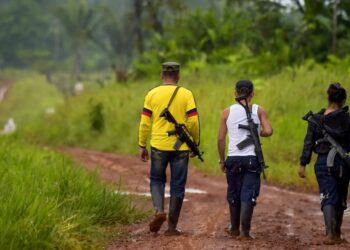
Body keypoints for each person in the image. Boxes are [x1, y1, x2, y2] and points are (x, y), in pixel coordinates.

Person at [138, 62, 200, 235]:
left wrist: (142, 144)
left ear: (161, 75)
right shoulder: (186, 94)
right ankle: (172, 227)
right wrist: (195, 142)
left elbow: (144, 122)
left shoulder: (152, 94)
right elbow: (193, 121)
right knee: (178, 185)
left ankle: (159, 211)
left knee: (157, 180)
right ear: (178, 76)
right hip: (180, 147)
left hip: (158, 145)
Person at [217, 80, 273, 239]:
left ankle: (234, 228)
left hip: (233, 158)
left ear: (235, 93)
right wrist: (257, 133)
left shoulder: (226, 112)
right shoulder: (259, 110)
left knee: (234, 193)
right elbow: (268, 131)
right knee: (248, 193)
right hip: (251, 158)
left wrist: (222, 161)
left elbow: (220, 139)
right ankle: (245, 232)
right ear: (252, 94)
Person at [299, 83, 350, 244]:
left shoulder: (315, 118)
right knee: (341, 196)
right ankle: (337, 233)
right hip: (342, 162)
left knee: (327, 195)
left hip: (322, 162)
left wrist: (303, 164)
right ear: (343, 100)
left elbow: (308, 143)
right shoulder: (347, 118)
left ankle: (329, 234)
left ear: (328, 98)